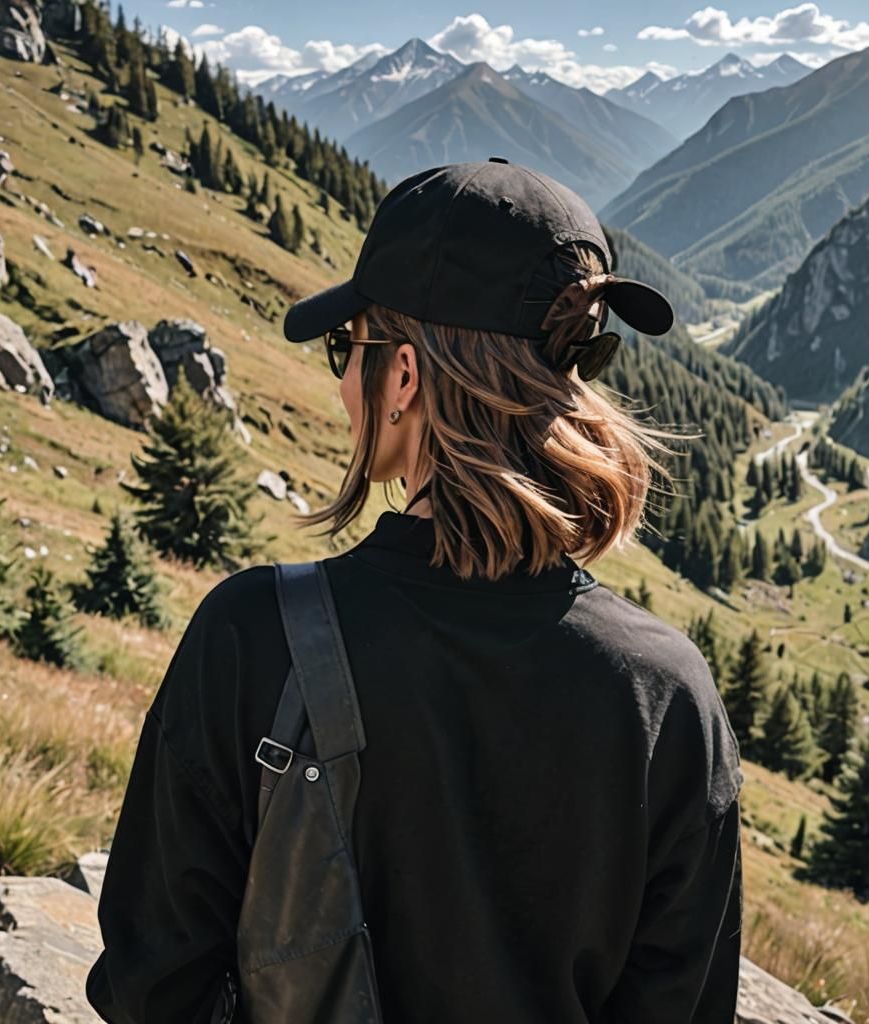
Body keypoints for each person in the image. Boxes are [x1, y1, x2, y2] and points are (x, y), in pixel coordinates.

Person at [86, 158, 744, 1024]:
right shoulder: (668, 693)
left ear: (402, 378)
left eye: (344, 348)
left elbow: (150, 988)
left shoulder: (251, 636)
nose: (341, 383)